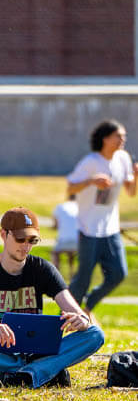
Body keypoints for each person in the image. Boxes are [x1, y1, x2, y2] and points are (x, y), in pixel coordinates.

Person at [0, 207, 104, 388]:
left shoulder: (42, 269)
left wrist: (82, 321)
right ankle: (36, 371)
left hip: (34, 352)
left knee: (95, 334)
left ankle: (23, 374)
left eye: (32, 240)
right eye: (20, 239)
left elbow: (78, 312)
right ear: (3, 234)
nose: (26, 246)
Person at [66, 119, 138, 316]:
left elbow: (131, 192)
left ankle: (88, 304)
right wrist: (91, 181)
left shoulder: (123, 158)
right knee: (83, 279)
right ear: (105, 139)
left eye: (124, 136)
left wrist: (136, 176)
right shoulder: (90, 162)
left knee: (118, 273)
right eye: (119, 136)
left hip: (111, 228)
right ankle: (65, 317)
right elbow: (71, 187)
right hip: (88, 228)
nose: (123, 139)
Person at [51, 193, 79, 279]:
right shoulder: (81, 207)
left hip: (64, 240)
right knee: (71, 254)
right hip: (78, 242)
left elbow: (55, 225)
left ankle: (56, 276)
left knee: (55, 253)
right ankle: (71, 274)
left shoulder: (60, 207)